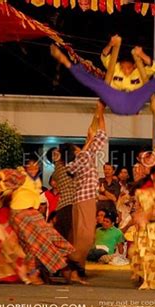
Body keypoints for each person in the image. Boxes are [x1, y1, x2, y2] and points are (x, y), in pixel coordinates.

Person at [50, 43, 155, 116]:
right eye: (124, 67)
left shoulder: (138, 71)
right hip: (115, 97)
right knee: (97, 84)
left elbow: (154, 66)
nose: (126, 70)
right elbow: (104, 56)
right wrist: (112, 43)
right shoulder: (115, 66)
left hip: (134, 99)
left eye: (129, 68)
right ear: (120, 65)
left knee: (153, 84)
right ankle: (66, 61)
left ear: (133, 67)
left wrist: (141, 54)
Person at [61, 102, 108, 275]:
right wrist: (100, 113)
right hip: (84, 201)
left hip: (80, 202)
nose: (80, 147)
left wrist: (99, 116)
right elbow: (101, 136)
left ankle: (76, 270)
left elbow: (98, 138)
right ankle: (72, 263)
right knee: (87, 236)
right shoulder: (81, 159)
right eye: (77, 147)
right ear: (74, 151)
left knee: (79, 236)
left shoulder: (78, 161)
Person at [51, 147, 76, 241]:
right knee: (67, 235)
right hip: (67, 205)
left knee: (65, 235)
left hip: (66, 205)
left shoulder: (65, 168)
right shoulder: (62, 169)